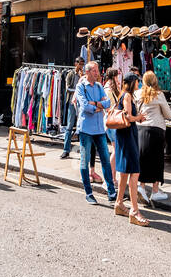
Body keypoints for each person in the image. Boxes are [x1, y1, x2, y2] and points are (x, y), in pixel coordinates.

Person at [73, 61, 117, 204]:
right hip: (86, 129)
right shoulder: (81, 87)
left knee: (105, 159)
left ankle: (111, 192)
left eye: (97, 70)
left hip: (99, 129)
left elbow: (107, 103)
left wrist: (96, 104)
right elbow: (85, 106)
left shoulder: (99, 86)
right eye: (94, 71)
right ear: (87, 72)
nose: (97, 73)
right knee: (85, 161)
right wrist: (98, 104)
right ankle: (88, 193)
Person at [110, 72, 149, 226]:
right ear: (132, 82)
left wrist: (137, 117)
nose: (138, 84)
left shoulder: (124, 95)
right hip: (127, 136)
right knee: (134, 171)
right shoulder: (126, 96)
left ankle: (119, 203)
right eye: (137, 81)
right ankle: (134, 211)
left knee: (125, 172)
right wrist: (139, 117)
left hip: (126, 135)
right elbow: (128, 117)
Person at [135, 71, 171, 204]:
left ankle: (141, 186)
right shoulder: (159, 94)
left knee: (143, 158)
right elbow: (168, 114)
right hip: (156, 129)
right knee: (157, 160)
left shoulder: (137, 94)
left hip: (140, 128)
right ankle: (155, 191)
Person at [58, 58, 85, 159]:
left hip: (82, 103)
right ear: (75, 64)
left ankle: (83, 150)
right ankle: (66, 150)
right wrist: (77, 90)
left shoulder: (83, 75)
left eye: (83, 64)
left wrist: (83, 78)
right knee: (69, 126)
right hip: (72, 103)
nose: (81, 66)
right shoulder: (71, 74)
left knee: (82, 127)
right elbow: (67, 88)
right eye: (80, 63)